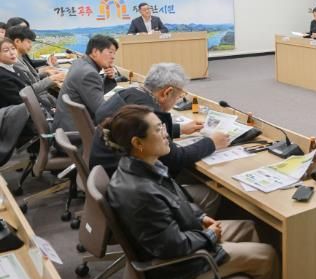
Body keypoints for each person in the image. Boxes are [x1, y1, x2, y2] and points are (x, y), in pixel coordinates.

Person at [104, 105, 281, 279]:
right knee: (266, 256)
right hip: (176, 267)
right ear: (137, 143)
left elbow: (175, 201)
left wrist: (200, 217)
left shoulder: (143, 166)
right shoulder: (140, 192)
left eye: (163, 127)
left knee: (248, 228)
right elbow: (171, 246)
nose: (166, 134)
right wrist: (209, 236)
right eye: (158, 130)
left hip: (184, 237)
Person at [89, 63, 226, 215]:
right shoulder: (149, 111)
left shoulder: (130, 93)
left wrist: (179, 129)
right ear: (167, 92)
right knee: (211, 191)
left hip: (113, 174)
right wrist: (212, 143)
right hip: (132, 191)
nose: (177, 101)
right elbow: (174, 159)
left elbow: (134, 129)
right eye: (179, 96)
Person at [53, 35, 118, 132]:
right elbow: (102, 111)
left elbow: (90, 94)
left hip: (66, 127)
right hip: (77, 133)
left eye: (114, 53)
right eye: (110, 52)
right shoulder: (89, 73)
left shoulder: (79, 63)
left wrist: (109, 78)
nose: (113, 57)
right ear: (95, 52)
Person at [6, 26, 63, 109]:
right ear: (17, 41)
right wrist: (51, 79)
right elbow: (27, 90)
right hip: (40, 102)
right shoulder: (13, 62)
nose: (31, 46)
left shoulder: (21, 57)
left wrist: (46, 73)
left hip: (43, 97)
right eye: (28, 42)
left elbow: (29, 79)